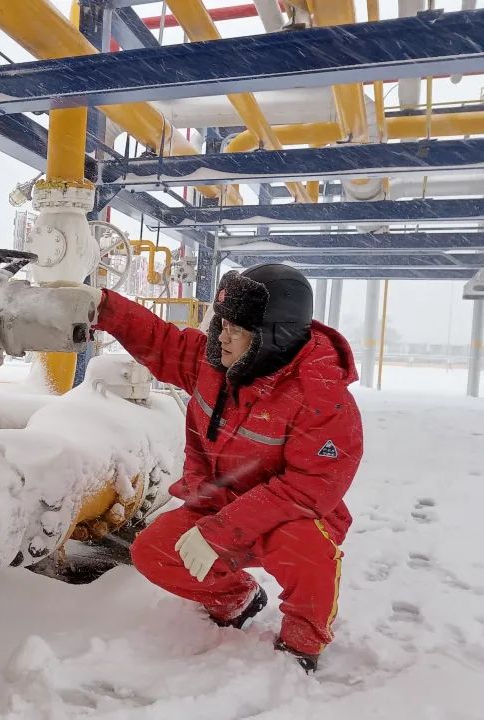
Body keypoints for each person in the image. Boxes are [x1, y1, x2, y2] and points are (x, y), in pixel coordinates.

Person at [88, 264, 363, 672]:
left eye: (237, 328)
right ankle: (237, 599)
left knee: (307, 553)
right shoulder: (213, 361)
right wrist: (101, 306)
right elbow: (159, 341)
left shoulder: (321, 396)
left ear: (275, 336)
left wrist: (219, 533)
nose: (222, 336)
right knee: (154, 552)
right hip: (219, 502)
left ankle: (302, 642)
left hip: (291, 516)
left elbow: (309, 488)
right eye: (222, 323)